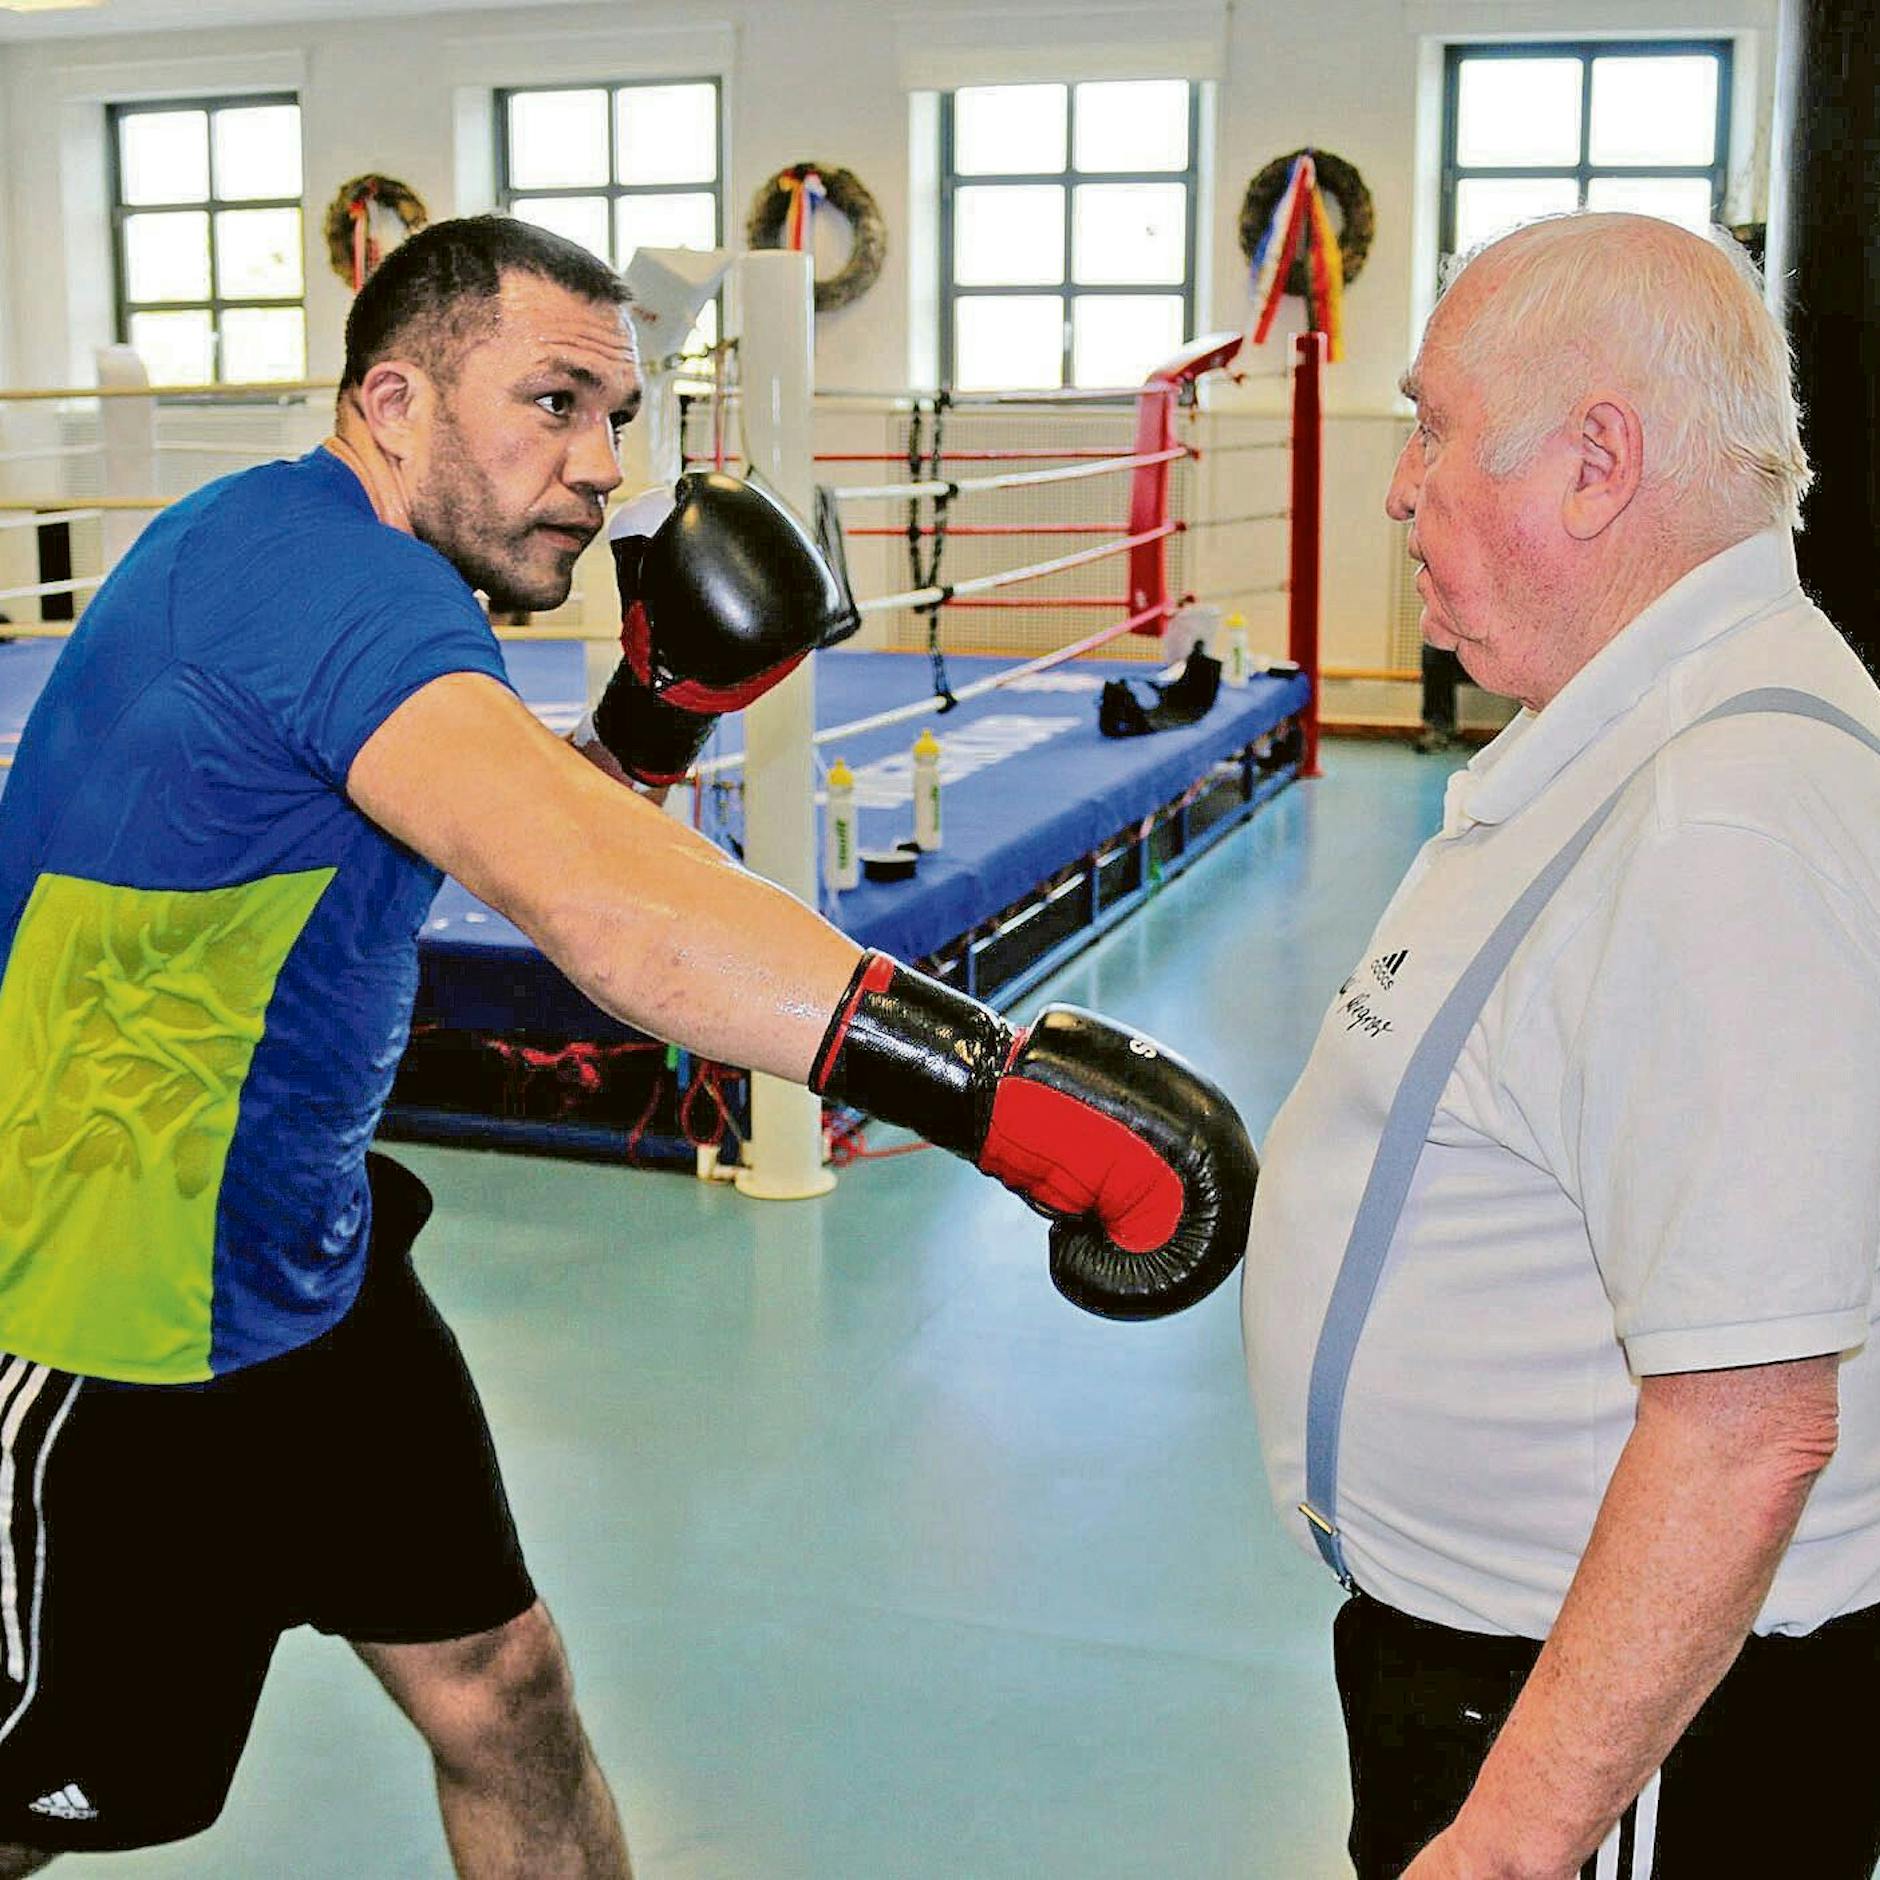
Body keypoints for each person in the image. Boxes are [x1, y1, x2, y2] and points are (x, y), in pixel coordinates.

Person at [0, 215, 1255, 1875]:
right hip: (103, 1299)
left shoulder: (345, 577)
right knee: (45, 1796)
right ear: (391, 401)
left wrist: (654, 719)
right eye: (551, 404)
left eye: (620, 415)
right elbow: (604, 906)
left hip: (301, 1260)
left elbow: (516, 829)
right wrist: (990, 1090)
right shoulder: (318, 579)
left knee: (503, 1693)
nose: (600, 466)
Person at [1243, 211, 1880, 1879]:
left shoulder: (1720, 811)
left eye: (1437, 425)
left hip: (1614, 1732)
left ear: (1599, 463)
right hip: (1508, 1669)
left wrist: (1521, 1834)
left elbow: (1750, 1427)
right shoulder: (1643, 728)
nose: (1402, 483)